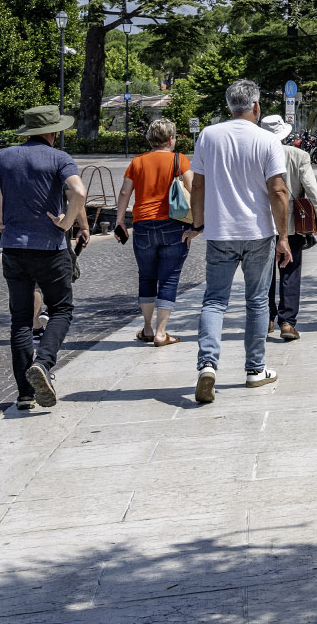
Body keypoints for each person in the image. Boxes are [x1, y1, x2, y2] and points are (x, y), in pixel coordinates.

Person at [0, 106, 88, 410]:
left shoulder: (4, 157)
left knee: (20, 320)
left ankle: (25, 394)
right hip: (50, 248)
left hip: (14, 248)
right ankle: (43, 363)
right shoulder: (59, 158)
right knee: (61, 309)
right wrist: (67, 223)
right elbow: (78, 191)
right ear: (52, 131)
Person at [189, 79, 291, 402]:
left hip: (220, 231)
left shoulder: (209, 136)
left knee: (214, 301)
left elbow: (198, 185)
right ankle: (255, 369)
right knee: (257, 301)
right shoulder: (267, 140)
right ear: (256, 106)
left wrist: (197, 223)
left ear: (229, 106)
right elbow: (278, 191)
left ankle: (207, 365)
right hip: (258, 232)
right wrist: (284, 237)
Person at [115, 117, 194, 347]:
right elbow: (193, 188)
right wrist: (197, 223)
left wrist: (120, 221)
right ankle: (161, 333)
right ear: (170, 139)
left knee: (146, 276)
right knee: (169, 278)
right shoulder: (180, 160)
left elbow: (124, 193)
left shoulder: (137, 161)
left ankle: (147, 328)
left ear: (150, 139)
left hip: (143, 225)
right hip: (173, 224)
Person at [259, 113, 317, 341]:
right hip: (291, 223)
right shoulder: (299, 155)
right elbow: (311, 188)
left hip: (262, 223)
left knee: (265, 273)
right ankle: (287, 322)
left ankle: (266, 318)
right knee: (291, 270)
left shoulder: (256, 154)